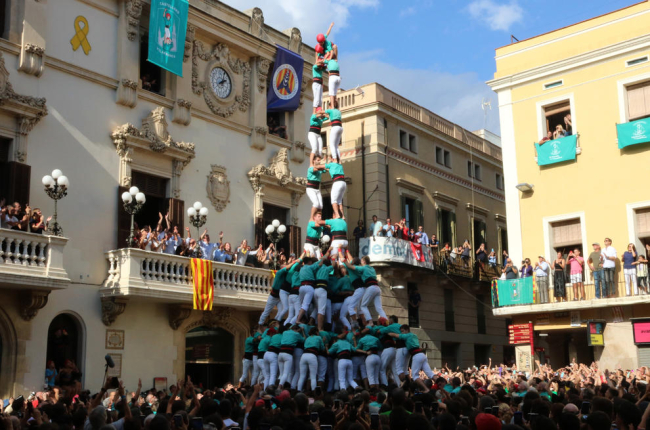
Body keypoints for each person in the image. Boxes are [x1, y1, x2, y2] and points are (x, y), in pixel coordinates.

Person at [388, 325, 433, 392]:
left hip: (416, 355)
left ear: (407, 330)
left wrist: (387, 332)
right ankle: (440, 384)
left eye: (402, 331)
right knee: (430, 374)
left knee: (414, 376)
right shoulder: (414, 335)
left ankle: (425, 389)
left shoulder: (407, 335)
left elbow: (396, 335)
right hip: (422, 355)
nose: (401, 333)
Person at [298, 327, 324, 392]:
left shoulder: (308, 338)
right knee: (313, 377)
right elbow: (322, 348)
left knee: (302, 376)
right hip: (312, 356)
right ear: (316, 332)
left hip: (303, 356)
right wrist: (323, 341)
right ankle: (313, 392)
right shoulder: (319, 338)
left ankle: (298, 390)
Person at [306, 155, 326, 221]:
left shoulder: (320, 170)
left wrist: (329, 165)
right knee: (316, 203)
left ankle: (318, 217)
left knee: (320, 206)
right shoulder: (311, 168)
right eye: (318, 160)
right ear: (313, 161)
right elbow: (316, 169)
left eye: (320, 160)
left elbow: (326, 169)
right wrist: (324, 166)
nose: (319, 161)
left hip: (317, 189)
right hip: (310, 188)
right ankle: (311, 218)